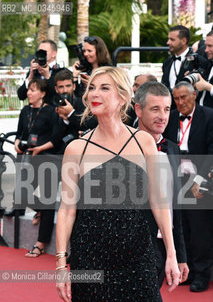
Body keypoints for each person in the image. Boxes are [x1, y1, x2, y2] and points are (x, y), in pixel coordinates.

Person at [56, 66, 180, 301]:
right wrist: (61, 263)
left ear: (123, 97)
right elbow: (67, 210)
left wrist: (171, 253)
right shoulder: (76, 149)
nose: (94, 94)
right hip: (90, 256)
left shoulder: (144, 142)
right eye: (91, 88)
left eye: (104, 88)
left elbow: (158, 200)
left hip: (138, 254)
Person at [134, 81, 189, 287]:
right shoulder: (122, 146)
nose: (163, 116)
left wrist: (179, 255)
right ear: (138, 109)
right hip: (131, 246)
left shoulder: (173, 149)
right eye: (155, 109)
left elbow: (175, 208)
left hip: (163, 246)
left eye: (167, 109)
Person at [164, 81, 213, 292]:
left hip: (201, 176)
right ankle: (186, 270)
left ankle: (202, 274)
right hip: (175, 176)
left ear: (194, 95)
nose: (180, 102)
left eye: (184, 97)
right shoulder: (172, 117)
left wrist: (199, 181)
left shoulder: (209, 116)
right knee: (180, 225)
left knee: (200, 229)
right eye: (176, 99)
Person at [6, 78, 63, 257]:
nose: (28, 93)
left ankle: (40, 244)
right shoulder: (25, 111)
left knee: (47, 199)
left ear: (43, 93)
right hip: (29, 159)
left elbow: (57, 137)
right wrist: (16, 143)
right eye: (29, 90)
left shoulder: (51, 112)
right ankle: (40, 210)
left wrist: (41, 148)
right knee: (22, 194)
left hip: (48, 159)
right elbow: (20, 132)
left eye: (33, 90)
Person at [161, 25, 208, 108]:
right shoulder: (167, 63)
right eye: (168, 39)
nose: (168, 42)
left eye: (172, 39)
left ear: (183, 41)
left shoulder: (199, 61)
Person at [54, 69, 97, 141]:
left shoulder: (84, 104)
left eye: (68, 86)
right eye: (61, 87)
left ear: (74, 86)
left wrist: (71, 113)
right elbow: (54, 138)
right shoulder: (53, 106)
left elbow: (90, 126)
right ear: (56, 89)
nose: (65, 90)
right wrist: (65, 120)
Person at [17, 39, 62, 104]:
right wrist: (30, 77)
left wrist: (48, 77)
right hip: (35, 111)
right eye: (39, 52)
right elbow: (21, 96)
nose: (41, 54)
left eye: (44, 52)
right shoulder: (34, 71)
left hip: (53, 111)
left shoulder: (61, 71)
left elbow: (60, 95)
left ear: (54, 54)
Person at [194, 30, 213, 108]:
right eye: (206, 46)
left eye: (210, 46)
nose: (206, 50)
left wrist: (207, 86)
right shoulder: (209, 64)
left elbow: (205, 86)